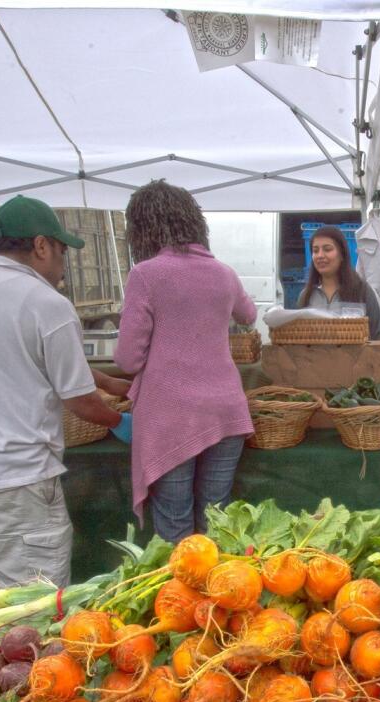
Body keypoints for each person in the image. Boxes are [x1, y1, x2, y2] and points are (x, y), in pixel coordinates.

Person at [0, 195, 129, 594]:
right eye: (61, 250)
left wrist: (107, 382)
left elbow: (16, 353)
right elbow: (78, 402)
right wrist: (121, 421)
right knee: (31, 598)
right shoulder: (48, 303)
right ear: (40, 245)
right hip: (12, 472)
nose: (63, 262)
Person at [115, 181, 257, 541]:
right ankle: (222, 593)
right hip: (226, 410)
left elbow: (128, 359)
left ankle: (180, 595)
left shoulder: (145, 274)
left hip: (170, 414)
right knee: (217, 519)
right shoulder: (224, 273)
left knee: (175, 524)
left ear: (142, 229)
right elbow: (249, 314)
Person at [297, 225, 380, 340]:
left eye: (327, 249)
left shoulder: (363, 292)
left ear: (342, 255)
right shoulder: (306, 297)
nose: (320, 255)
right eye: (315, 251)